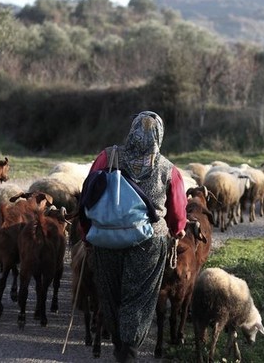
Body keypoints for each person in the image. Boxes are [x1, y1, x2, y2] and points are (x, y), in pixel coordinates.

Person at [78, 111, 187, 362]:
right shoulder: (168, 169)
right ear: (159, 135)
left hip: (106, 238)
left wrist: (87, 234)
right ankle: (129, 351)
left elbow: (88, 196)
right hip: (149, 243)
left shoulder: (108, 157)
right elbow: (178, 213)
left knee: (111, 293)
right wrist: (176, 230)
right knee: (138, 297)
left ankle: (119, 344)